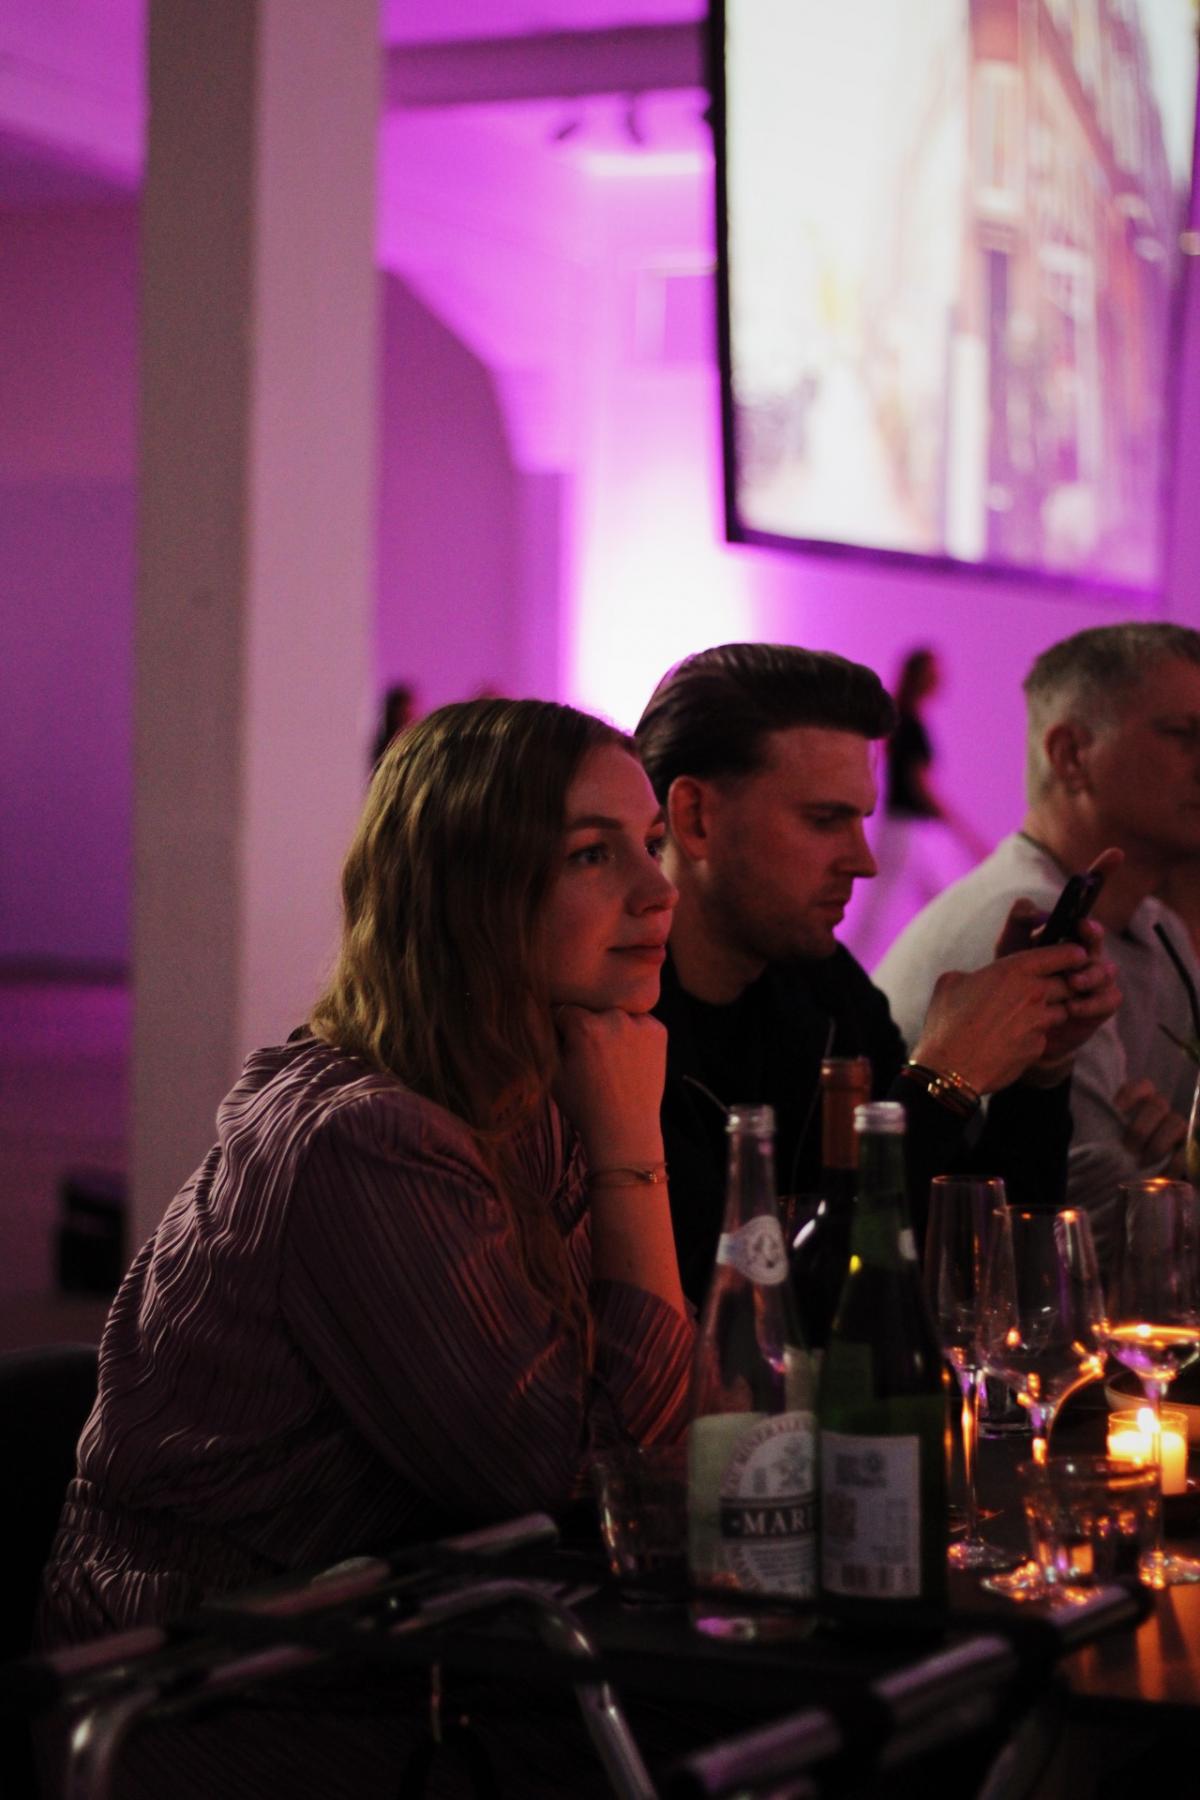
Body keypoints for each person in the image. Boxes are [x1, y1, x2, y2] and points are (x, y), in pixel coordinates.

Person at [38, 698, 693, 1797]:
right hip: (227, 1688)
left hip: (412, 1636)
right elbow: (585, 1477)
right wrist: (636, 1152)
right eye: (594, 853)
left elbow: (670, 1424)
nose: (658, 889)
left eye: (650, 843)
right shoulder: (368, 1138)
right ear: (470, 894)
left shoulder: (524, 1092)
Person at [633, 643, 1119, 1306]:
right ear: (697, 818)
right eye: (824, 820)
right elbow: (757, 1316)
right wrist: (941, 1080)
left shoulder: (828, 992)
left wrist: (1040, 1070)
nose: (863, 861)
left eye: (861, 820)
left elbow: (977, 1277)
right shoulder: (617, 1028)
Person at [876, 623, 1200, 1247]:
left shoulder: (1161, 932)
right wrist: (1173, 1180)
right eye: (1184, 734)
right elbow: (1076, 1230)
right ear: (1072, 755)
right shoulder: (1025, 921)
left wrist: (1174, 1173)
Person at [846, 646, 988, 968]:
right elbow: (921, 786)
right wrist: (965, 833)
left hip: (909, 829)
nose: (939, 680)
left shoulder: (906, 722)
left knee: (940, 900)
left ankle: (954, 967)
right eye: (932, 673)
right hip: (905, 830)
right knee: (890, 907)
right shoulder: (908, 724)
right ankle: (845, 973)